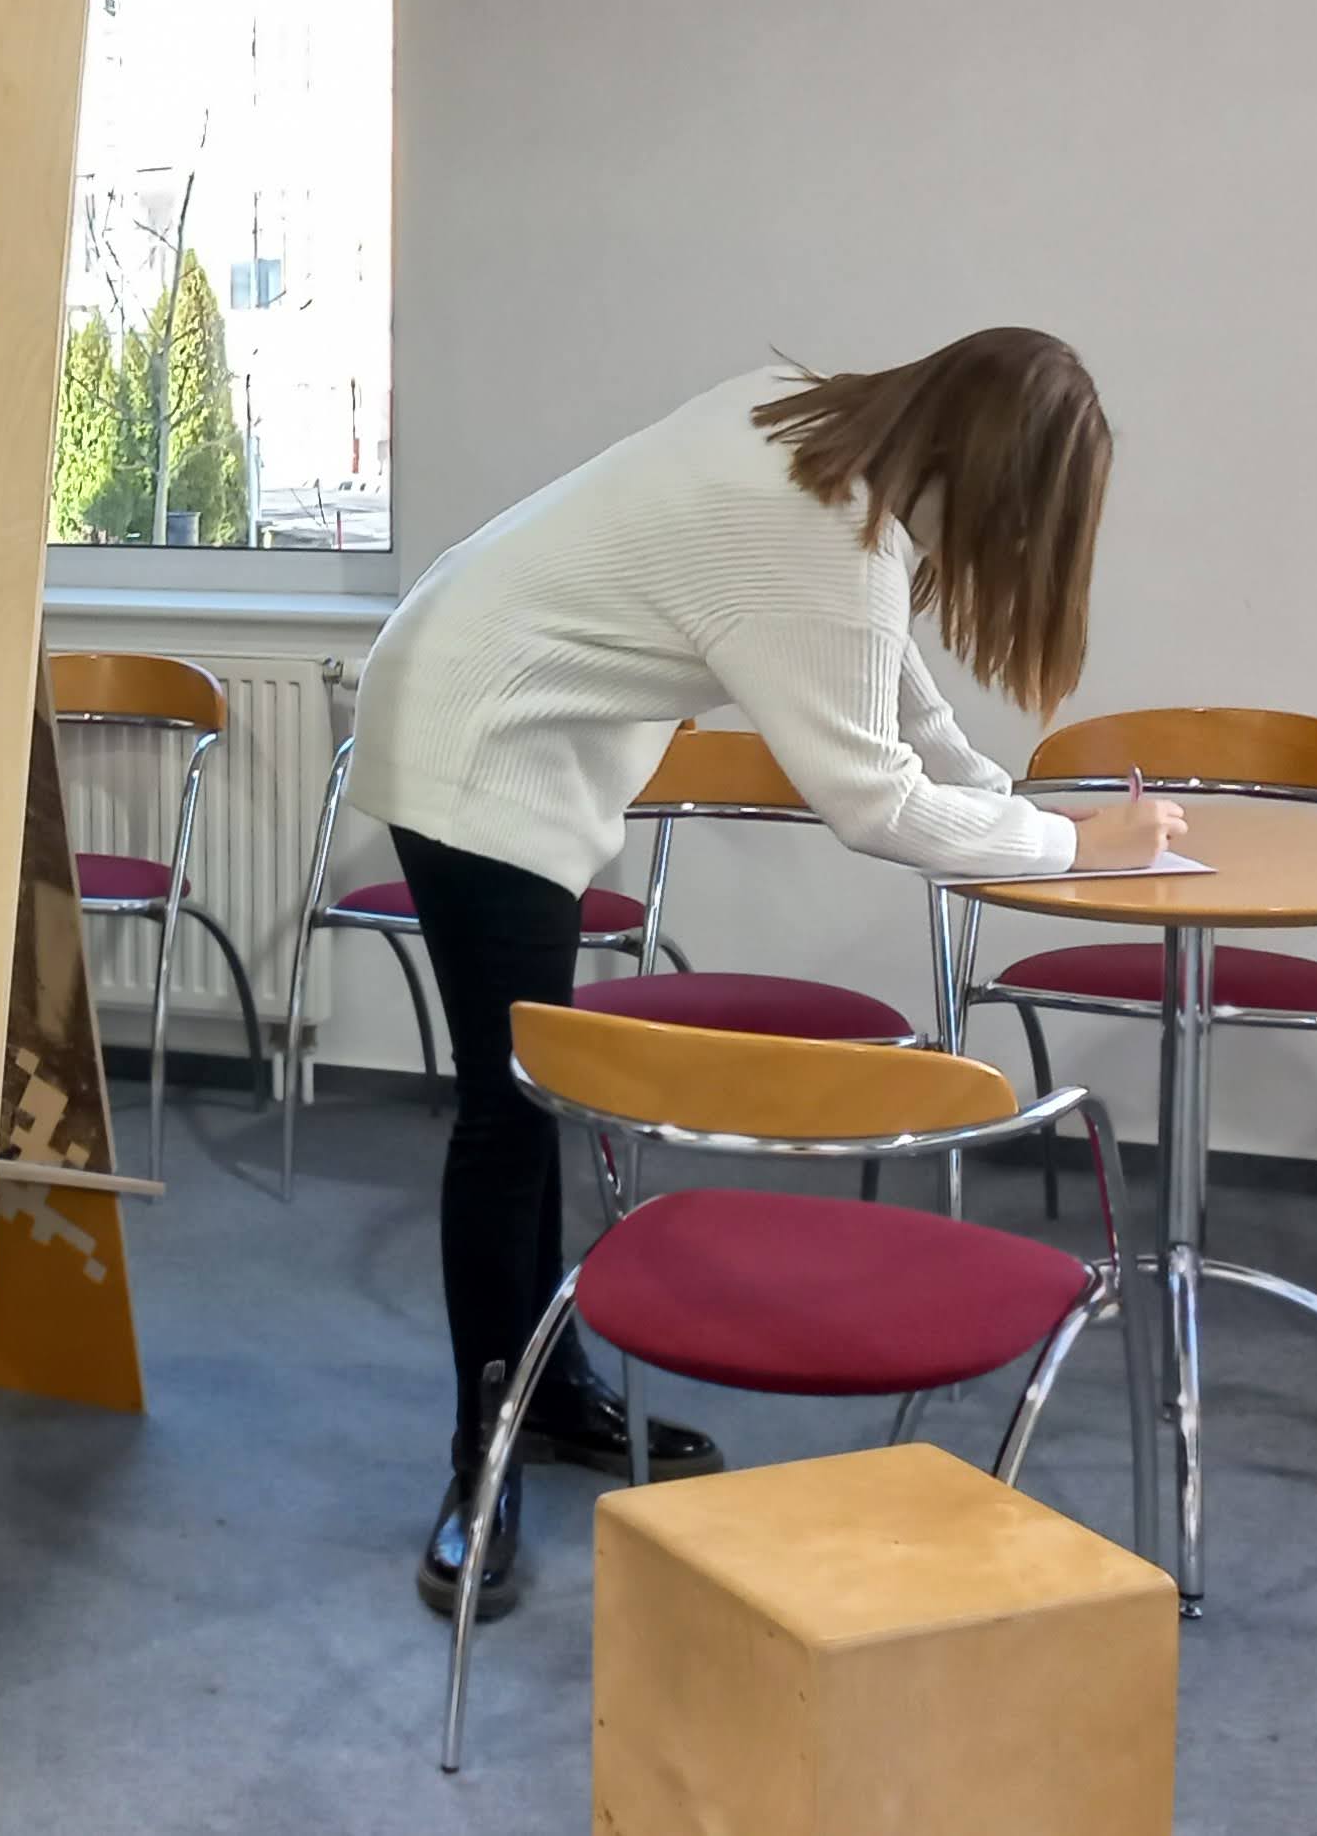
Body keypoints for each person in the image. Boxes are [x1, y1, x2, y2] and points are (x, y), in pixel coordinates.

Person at [342, 327, 1185, 1618]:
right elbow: (871, 800)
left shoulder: (814, 431)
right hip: (474, 738)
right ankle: (483, 1459)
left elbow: (887, 679)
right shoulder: (820, 537)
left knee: (531, 1093)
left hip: (488, 690)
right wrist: (1079, 846)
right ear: (1000, 487)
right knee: (506, 1109)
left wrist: (1016, 809)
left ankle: (547, 1395)